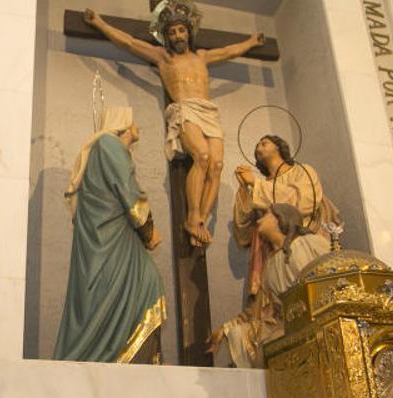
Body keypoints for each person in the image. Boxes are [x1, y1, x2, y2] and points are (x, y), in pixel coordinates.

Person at [84, 1, 265, 247]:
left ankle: (200, 218)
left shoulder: (202, 56)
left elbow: (229, 51)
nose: (178, 35)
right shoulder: (163, 57)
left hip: (209, 111)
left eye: (181, 30)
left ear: (189, 32)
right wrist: (99, 23)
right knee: (201, 156)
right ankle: (191, 217)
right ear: (166, 37)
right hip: (185, 109)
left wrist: (252, 42)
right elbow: (129, 42)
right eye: (171, 32)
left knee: (217, 165)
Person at [211, 135, 341, 368]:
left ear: (280, 147)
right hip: (269, 256)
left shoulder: (302, 172)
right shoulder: (257, 185)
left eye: (265, 142)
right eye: (257, 144)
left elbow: (303, 203)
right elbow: (243, 231)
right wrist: (245, 190)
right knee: (270, 312)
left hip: (299, 249)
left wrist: (257, 186)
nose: (260, 145)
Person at [54, 106, 166, 363]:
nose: (138, 126)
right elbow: (128, 190)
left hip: (116, 238)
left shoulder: (104, 148)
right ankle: (121, 360)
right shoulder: (109, 144)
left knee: (146, 284)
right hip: (110, 242)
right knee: (147, 285)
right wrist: (148, 231)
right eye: (133, 119)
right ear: (123, 123)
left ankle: (126, 359)